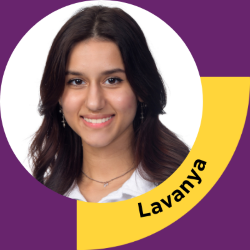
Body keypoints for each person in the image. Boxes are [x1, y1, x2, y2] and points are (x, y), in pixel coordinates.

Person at [29, 5, 189, 203]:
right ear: (59, 96)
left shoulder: (186, 187)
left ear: (141, 88)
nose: (94, 103)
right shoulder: (39, 195)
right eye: (77, 82)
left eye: (112, 80)